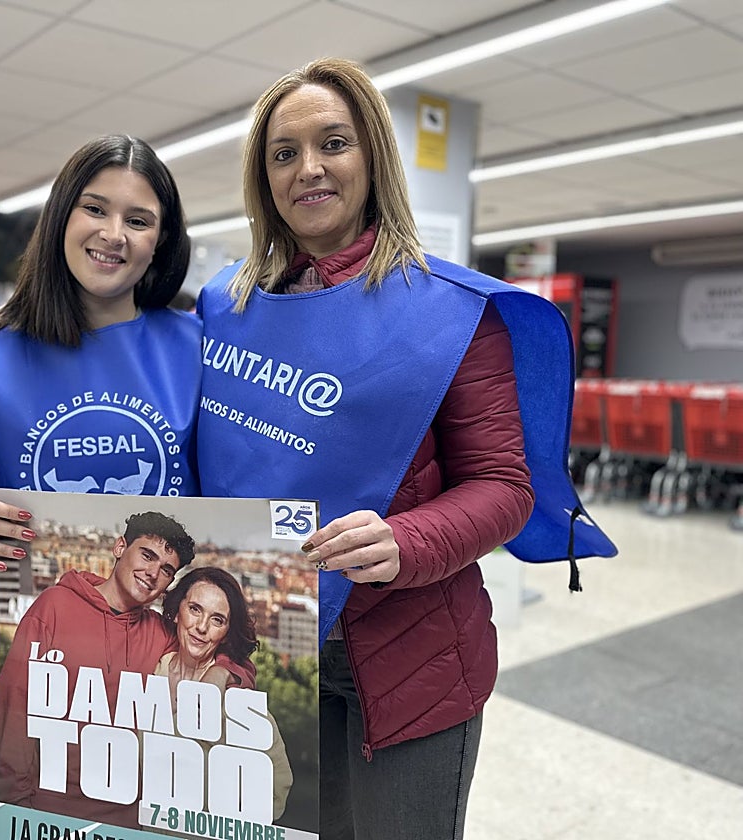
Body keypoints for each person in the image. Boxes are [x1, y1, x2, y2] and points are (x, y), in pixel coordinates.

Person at [192, 58, 615, 839]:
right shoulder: (227, 306)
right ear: (262, 178)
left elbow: (504, 485)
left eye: (333, 143)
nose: (309, 168)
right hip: (271, 649)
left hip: (410, 657)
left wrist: (403, 540)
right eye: (284, 153)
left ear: (373, 157)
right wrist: (20, 326)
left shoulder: (450, 312)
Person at [0, 135, 199, 673]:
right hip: (44, 667)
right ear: (61, 217)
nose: (113, 234)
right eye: (95, 209)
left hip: (165, 671)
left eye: (138, 220)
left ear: (161, 240)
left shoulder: (203, 352)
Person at [0, 512, 200, 827]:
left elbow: (223, 654)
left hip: (128, 824)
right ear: (120, 547)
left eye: (166, 570)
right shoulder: (53, 607)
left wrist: (225, 672)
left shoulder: (161, 634)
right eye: (147, 555)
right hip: (47, 815)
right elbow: (14, 711)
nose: (153, 573)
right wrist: (16, 810)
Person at [156, 566, 293, 822]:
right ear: (176, 611)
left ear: (227, 632)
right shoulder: (149, 668)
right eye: (195, 609)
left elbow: (275, 792)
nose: (201, 627)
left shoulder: (240, 701)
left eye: (217, 620)